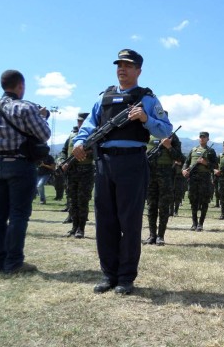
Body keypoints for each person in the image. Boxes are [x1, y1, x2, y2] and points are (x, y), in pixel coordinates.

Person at [73, 49, 172, 295]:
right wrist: (78, 141)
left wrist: (145, 119)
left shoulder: (147, 98)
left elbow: (165, 130)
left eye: (128, 65)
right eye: (119, 65)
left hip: (132, 164)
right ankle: (109, 274)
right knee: (105, 221)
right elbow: (89, 126)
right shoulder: (103, 98)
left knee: (129, 221)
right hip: (104, 162)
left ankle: (126, 277)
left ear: (138, 70)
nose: (122, 69)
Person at [0, 69, 51, 273]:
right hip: (20, 164)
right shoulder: (25, 107)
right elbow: (44, 134)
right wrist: (43, 117)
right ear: (20, 86)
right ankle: (14, 262)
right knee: (19, 214)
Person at [143, 131, 183, 246]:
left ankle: (160, 236)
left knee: (164, 206)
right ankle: (152, 235)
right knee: (151, 206)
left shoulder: (172, 136)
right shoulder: (147, 134)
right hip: (150, 175)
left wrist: (169, 147)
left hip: (166, 176)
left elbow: (180, 158)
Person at [60, 112, 94, 238]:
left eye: (82, 121)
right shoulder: (72, 136)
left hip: (86, 170)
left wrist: (86, 152)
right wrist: (61, 162)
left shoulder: (93, 137)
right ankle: (74, 227)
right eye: (78, 121)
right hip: (71, 171)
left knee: (82, 201)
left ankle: (81, 228)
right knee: (72, 200)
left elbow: (97, 153)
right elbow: (63, 152)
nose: (79, 123)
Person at [182, 131, 217, 231]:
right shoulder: (193, 150)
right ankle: (194, 223)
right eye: (201, 137)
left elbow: (215, 166)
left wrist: (206, 163)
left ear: (207, 139)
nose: (202, 138)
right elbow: (186, 162)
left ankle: (200, 224)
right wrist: (184, 170)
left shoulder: (211, 151)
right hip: (193, 178)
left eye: (204, 137)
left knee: (204, 201)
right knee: (193, 200)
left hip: (205, 178)